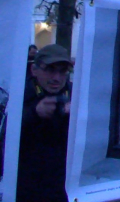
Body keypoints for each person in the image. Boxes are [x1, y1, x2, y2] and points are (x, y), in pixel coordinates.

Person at [17, 44, 73, 202]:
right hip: (25, 186)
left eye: (63, 71)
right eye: (50, 70)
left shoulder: (75, 94)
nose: (56, 78)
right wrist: (34, 113)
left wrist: (77, 116)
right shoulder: (19, 93)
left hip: (61, 186)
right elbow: (6, 130)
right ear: (34, 70)